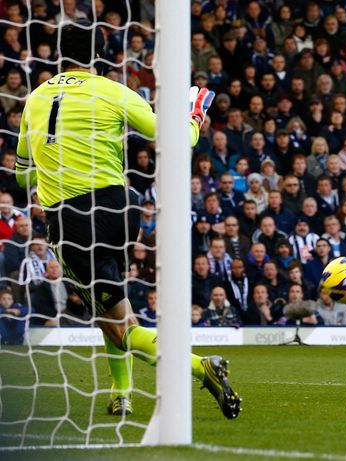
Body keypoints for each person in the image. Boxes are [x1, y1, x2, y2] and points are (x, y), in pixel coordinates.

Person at [15, 23, 240, 418]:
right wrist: (194, 115)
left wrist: (50, 168)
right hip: (121, 210)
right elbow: (175, 139)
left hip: (72, 220)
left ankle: (199, 366)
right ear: (99, 56)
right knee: (114, 311)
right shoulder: (115, 92)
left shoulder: (34, 99)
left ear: (57, 55)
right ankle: (122, 392)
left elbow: (21, 175)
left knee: (116, 324)